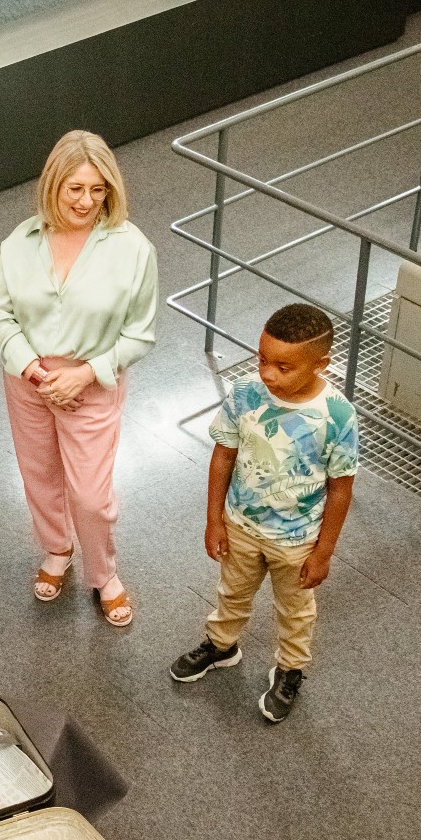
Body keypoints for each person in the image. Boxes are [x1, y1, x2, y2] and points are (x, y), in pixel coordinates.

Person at [0, 129, 157, 626]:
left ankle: (104, 573)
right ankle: (57, 549)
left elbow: (141, 334)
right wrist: (32, 368)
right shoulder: (20, 242)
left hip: (92, 384)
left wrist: (84, 375)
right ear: (53, 186)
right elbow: (1, 316)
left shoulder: (133, 248)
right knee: (39, 477)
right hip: (29, 379)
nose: (86, 201)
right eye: (74, 189)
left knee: (90, 493)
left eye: (97, 190)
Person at [170, 303, 358, 723]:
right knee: (231, 591)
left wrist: (323, 552)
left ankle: (290, 670)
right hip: (241, 526)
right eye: (262, 359)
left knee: (296, 610)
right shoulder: (245, 393)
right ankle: (221, 646)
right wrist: (213, 519)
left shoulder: (338, 415)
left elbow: (341, 489)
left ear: (320, 363)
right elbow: (223, 456)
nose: (269, 374)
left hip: (297, 541)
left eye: (284, 366)